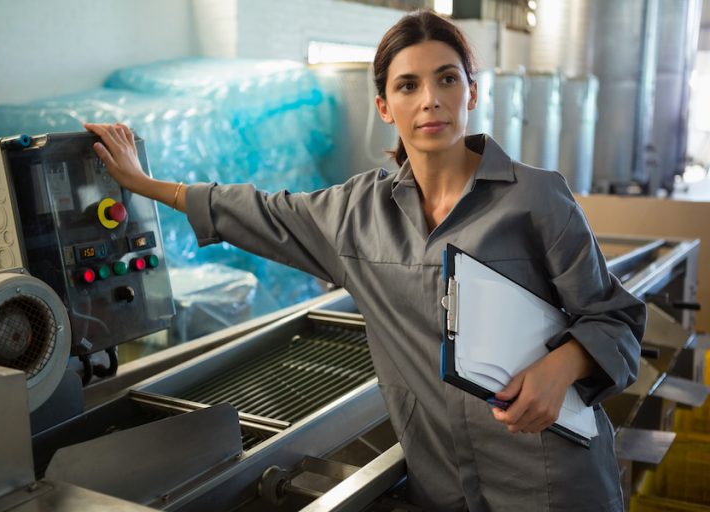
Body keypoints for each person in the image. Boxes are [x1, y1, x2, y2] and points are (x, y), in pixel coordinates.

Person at [85, 9, 644, 511]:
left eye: (447, 78)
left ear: (471, 92)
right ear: (384, 106)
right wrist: (146, 185)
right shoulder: (356, 213)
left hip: (552, 486)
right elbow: (260, 211)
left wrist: (562, 366)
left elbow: (615, 318)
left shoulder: (536, 198)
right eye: (409, 85)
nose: (431, 99)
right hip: (445, 490)